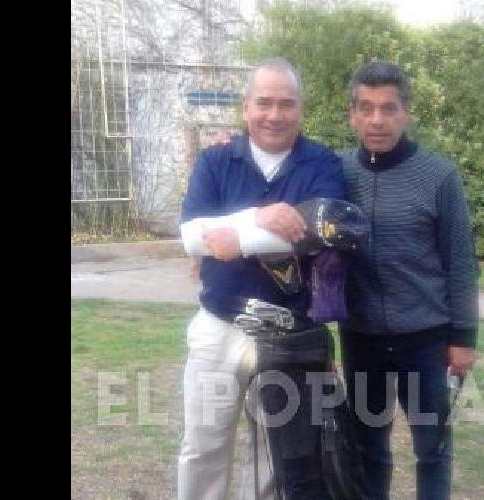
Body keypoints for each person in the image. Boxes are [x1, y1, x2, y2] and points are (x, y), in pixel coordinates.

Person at [177, 57, 345, 500]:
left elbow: (318, 235)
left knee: (274, 454)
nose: (274, 115)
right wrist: (259, 220)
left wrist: (238, 238)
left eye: (286, 104)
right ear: (245, 106)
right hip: (219, 327)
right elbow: (192, 237)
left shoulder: (323, 164)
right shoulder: (216, 160)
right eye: (264, 103)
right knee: (202, 446)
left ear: (301, 109)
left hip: (290, 332)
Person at [337, 60, 481, 500]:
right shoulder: (337, 171)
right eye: (366, 108)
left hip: (426, 339)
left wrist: (464, 337)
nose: (377, 120)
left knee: (432, 449)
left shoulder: (439, 177)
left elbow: (460, 260)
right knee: (368, 448)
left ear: (407, 113)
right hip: (361, 337)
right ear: (353, 114)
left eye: (388, 108)